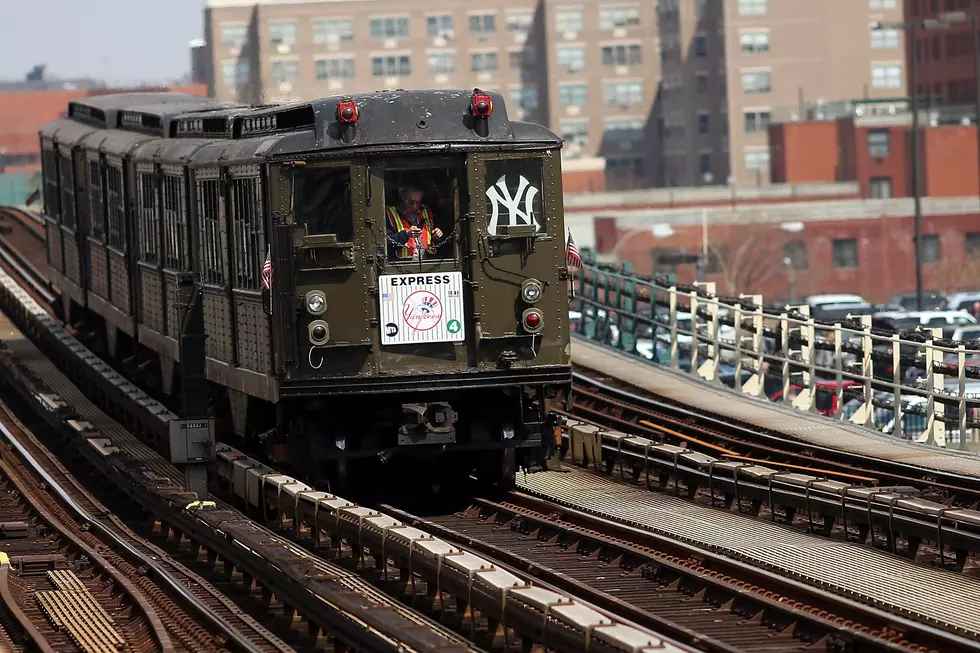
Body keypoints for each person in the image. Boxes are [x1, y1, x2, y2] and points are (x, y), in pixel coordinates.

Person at [385, 185, 444, 260]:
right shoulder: (389, 213)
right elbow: (386, 242)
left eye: (418, 202)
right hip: (402, 265)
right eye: (411, 202)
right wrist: (406, 235)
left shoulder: (427, 210)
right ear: (403, 198)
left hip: (428, 261)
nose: (415, 206)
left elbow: (436, 238)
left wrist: (437, 235)